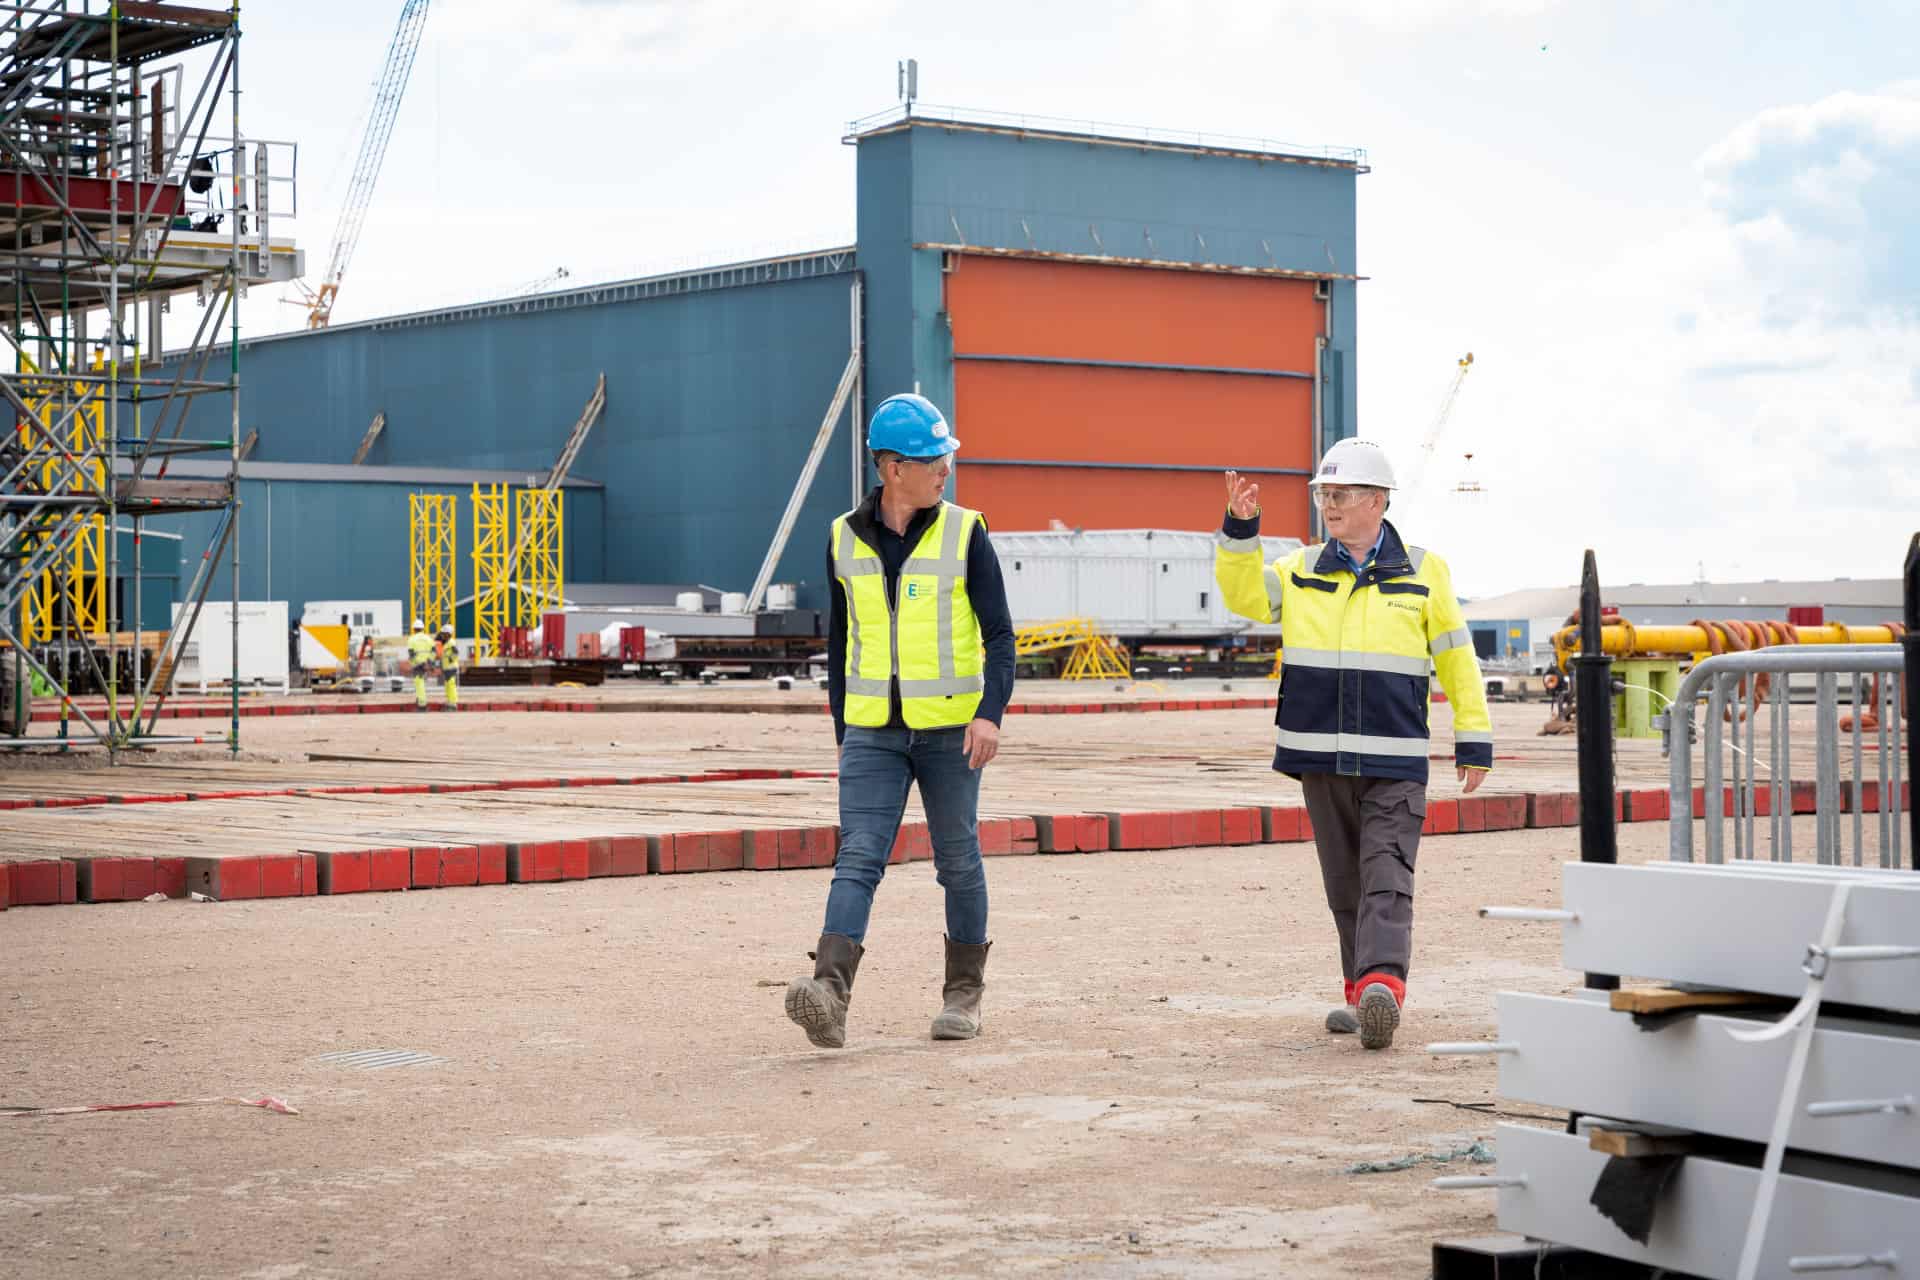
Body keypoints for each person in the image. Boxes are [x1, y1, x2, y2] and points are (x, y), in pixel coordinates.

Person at [1213, 439, 1492, 1050]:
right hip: (1320, 755)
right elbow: (1242, 596)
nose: (1328, 505)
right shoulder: (1300, 567)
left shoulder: (1425, 572)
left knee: (1386, 873)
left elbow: (1457, 660)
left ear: (1377, 500)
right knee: (1345, 884)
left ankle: (1383, 984)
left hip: (1395, 758)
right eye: (1323, 495)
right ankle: (1358, 990)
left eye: (1339, 495)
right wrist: (1239, 529)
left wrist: (1473, 739)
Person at [784, 393, 1017, 1050]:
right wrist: (843, 735)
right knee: (857, 856)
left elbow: (1000, 635)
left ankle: (963, 995)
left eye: (945, 456)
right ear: (890, 468)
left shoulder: (967, 533)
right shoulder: (840, 537)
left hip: (950, 733)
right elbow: (839, 643)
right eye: (930, 459)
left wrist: (989, 713)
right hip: (871, 735)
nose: (944, 468)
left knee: (959, 862)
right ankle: (827, 994)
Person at [407, 620, 434, 710]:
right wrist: (429, 662)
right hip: (426, 663)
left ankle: (422, 704)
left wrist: (415, 662)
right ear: (422, 628)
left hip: (417, 664)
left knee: (419, 684)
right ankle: (420, 700)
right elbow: (433, 652)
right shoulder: (429, 639)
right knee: (421, 683)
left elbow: (411, 653)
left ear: (414, 629)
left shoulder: (412, 639)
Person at [434, 626, 460, 711]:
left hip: (451, 667)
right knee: (448, 686)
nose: (442, 635)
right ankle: (449, 702)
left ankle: (453, 704)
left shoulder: (451, 642)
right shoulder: (446, 642)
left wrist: (451, 659)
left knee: (451, 685)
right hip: (447, 668)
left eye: (443, 634)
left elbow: (456, 652)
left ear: (448, 634)